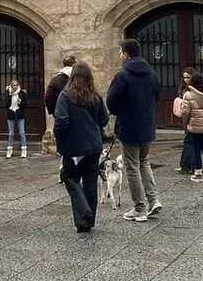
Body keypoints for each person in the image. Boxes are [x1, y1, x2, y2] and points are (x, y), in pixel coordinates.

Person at [106, 38, 161, 223]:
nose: (120, 55)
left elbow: (111, 102)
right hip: (147, 125)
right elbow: (157, 96)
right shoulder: (152, 74)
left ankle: (140, 207)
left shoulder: (122, 76)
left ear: (126, 54)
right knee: (144, 161)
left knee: (131, 166)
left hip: (129, 126)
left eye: (120, 52)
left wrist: (122, 111)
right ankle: (153, 200)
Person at [53, 62, 109, 233]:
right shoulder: (95, 96)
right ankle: (88, 221)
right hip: (93, 146)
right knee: (90, 183)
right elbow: (104, 119)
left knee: (70, 178)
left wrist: (58, 135)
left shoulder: (65, 96)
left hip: (73, 147)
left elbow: (62, 121)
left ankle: (83, 212)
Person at [5, 79, 28, 159]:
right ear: (11, 86)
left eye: (15, 85)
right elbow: (6, 105)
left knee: (22, 132)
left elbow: (25, 105)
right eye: (13, 85)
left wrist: (20, 102)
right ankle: (9, 151)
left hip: (20, 115)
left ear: (18, 85)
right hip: (11, 114)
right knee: (11, 133)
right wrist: (9, 95)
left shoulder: (22, 93)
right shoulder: (8, 93)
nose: (14, 87)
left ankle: (24, 150)